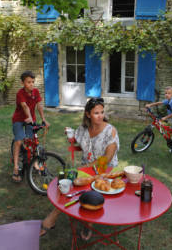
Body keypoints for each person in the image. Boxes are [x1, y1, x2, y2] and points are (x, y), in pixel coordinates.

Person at [40, 97, 119, 238]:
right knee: (62, 181)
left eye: (102, 112)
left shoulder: (110, 131)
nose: (100, 116)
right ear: (88, 114)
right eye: (96, 113)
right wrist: (70, 134)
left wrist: (87, 168)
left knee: (87, 190)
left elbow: (107, 159)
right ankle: (56, 213)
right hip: (84, 169)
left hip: (104, 172)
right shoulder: (83, 129)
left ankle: (86, 224)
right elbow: (79, 141)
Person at [12, 70, 50, 183]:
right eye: (28, 82)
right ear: (22, 83)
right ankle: (15, 167)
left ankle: (34, 163)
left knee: (32, 141)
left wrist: (43, 119)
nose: (31, 84)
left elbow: (39, 106)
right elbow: (25, 106)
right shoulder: (20, 93)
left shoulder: (36, 92)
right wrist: (28, 117)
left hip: (31, 120)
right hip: (19, 119)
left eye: (33, 82)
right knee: (19, 142)